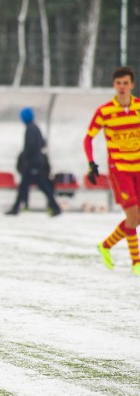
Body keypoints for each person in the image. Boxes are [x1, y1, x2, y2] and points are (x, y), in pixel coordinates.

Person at [84, 66, 140, 276]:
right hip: (120, 171)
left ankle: (106, 245)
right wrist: (91, 162)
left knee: (136, 218)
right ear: (114, 85)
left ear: (132, 85)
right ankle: (137, 262)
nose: (122, 87)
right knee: (132, 215)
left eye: (126, 83)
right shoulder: (105, 111)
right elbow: (88, 138)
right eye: (119, 83)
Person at [5, 107, 61, 217]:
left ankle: (55, 207)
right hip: (36, 163)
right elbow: (42, 143)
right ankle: (16, 207)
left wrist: (24, 157)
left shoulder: (30, 129)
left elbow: (30, 147)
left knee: (40, 186)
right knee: (27, 186)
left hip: (33, 164)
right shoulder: (35, 128)